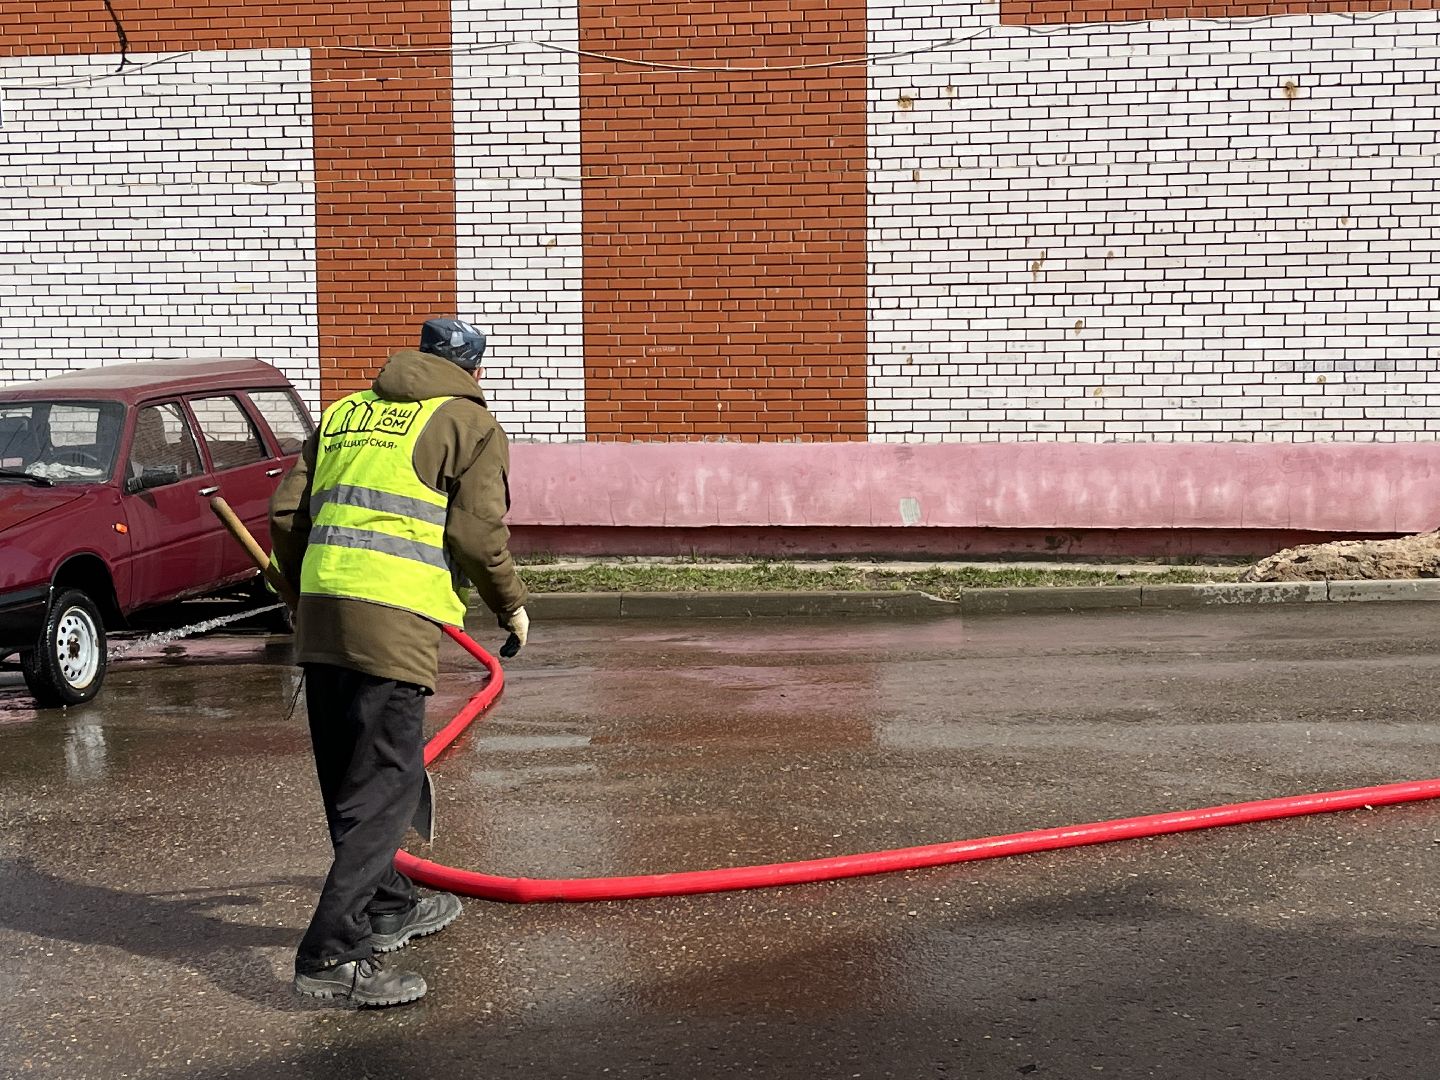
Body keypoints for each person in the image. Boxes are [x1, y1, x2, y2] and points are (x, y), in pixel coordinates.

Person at [269, 317, 529, 1007]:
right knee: (385, 786)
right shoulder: (470, 425)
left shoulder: (346, 413)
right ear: (474, 371)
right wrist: (511, 606)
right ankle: (333, 953)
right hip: (392, 622)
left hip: (322, 615)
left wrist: (299, 592)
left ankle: (388, 903)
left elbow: (287, 515)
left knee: (348, 774)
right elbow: (476, 533)